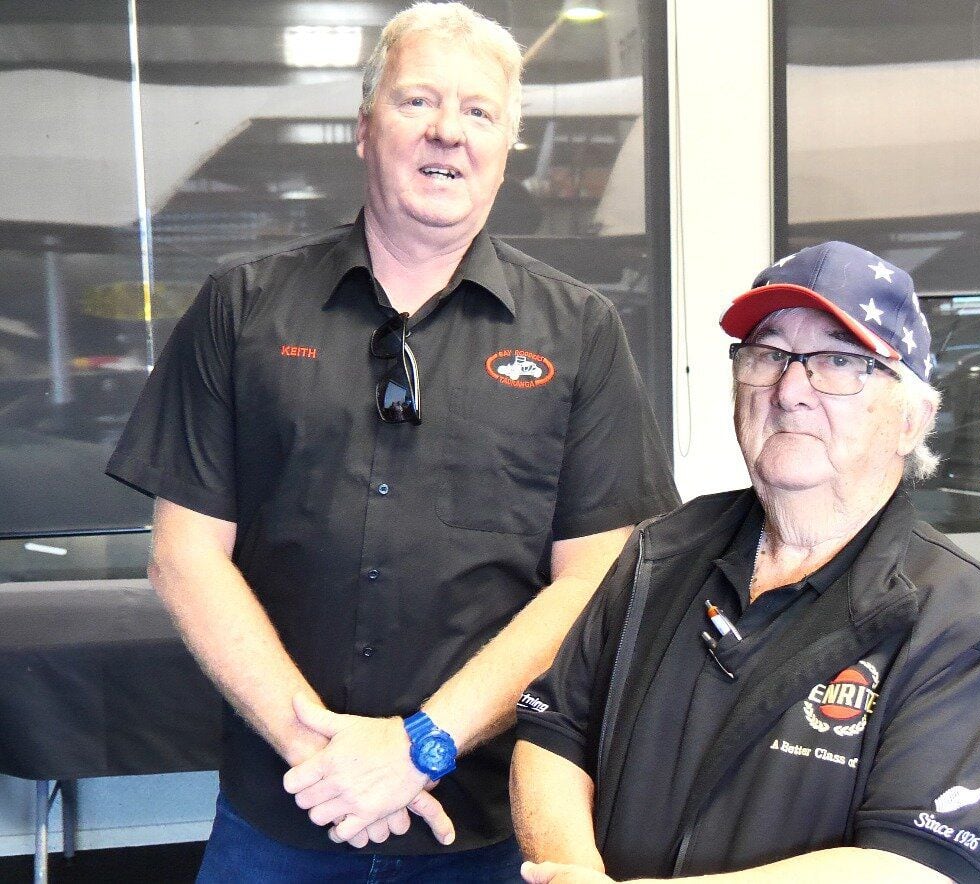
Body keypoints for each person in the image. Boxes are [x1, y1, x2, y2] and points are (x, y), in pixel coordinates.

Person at [105, 3, 679, 881]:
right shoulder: (241, 308)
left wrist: (421, 747)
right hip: (284, 808)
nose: (448, 131)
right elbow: (184, 559)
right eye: (417, 102)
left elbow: (598, 577)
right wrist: (329, 759)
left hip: (488, 821)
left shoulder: (580, 332)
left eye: (479, 112)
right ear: (364, 128)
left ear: (506, 146)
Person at [510, 241, 980, 884]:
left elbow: (912, 869)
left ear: (913, 419)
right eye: (769, 355)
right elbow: (554, 735)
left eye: (838, 360)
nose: (790, 389)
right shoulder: (659, 553)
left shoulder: (962, 625)